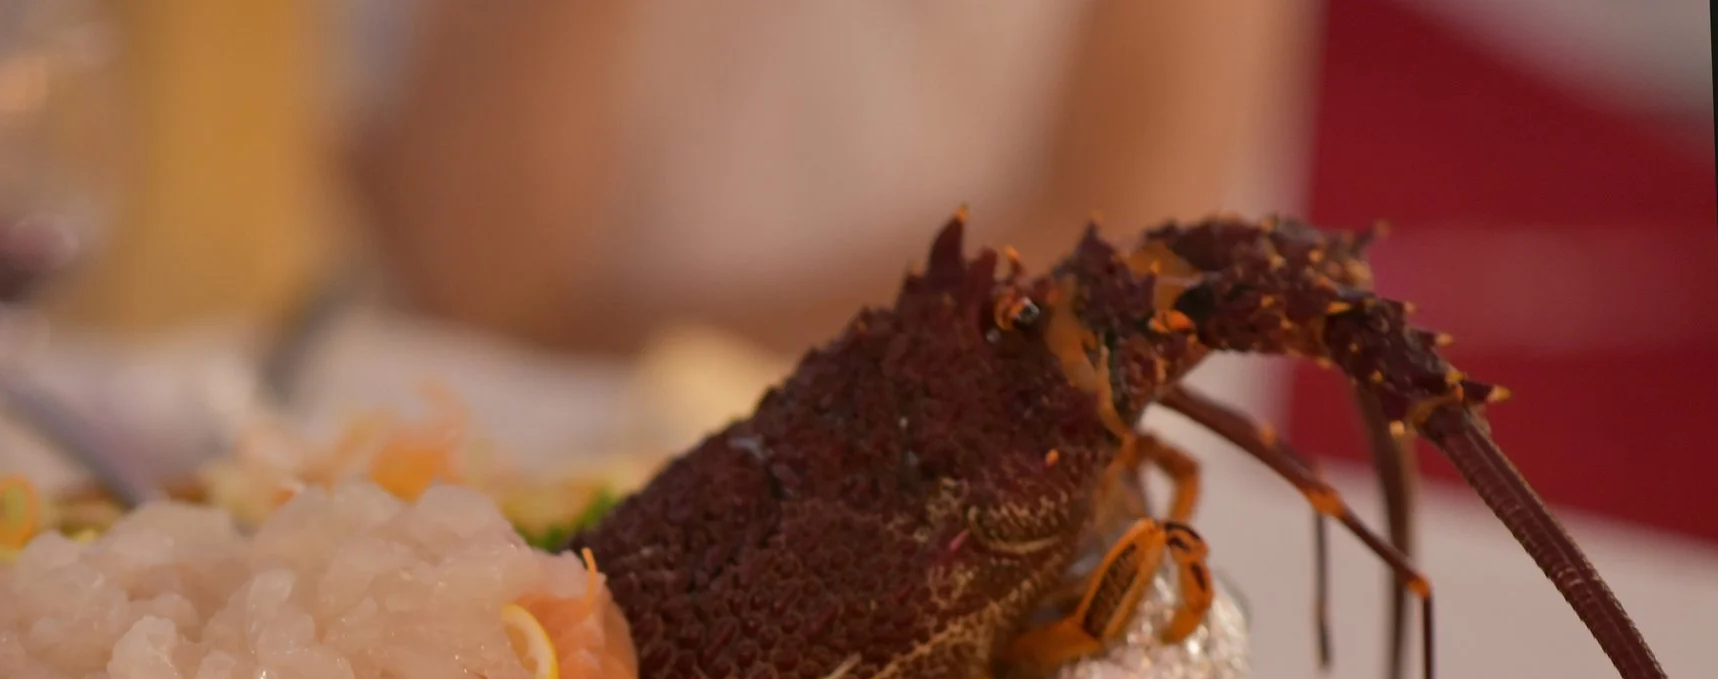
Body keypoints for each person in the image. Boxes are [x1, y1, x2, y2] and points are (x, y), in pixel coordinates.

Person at [349, 0, 1316, 355]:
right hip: (561, 455)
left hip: (990, 463)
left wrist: (636, 370)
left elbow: (1132, 247)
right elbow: (470, 272)